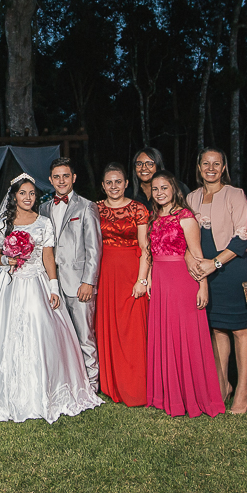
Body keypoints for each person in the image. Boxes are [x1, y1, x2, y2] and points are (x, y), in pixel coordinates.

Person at [0, 174, 102, 423]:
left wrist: (54, 287)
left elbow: (47, 257)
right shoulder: (4, 221)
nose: (28, 198)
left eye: (32, 193)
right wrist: (5, 260)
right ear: (14, 196)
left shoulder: (43, 222)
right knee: (0, 334)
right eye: (23, 193)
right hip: (9, 282)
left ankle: (44, 389)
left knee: (41, 334)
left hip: (37, 283)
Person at [145, 171, 224, 418]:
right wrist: (147, 277)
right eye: (155, 189)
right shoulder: (153, 217)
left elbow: (197, 254)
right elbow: (150, 251)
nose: (159, 193)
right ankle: (168, 393)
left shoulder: (186, 216)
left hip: (181, 281)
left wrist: (203, 286)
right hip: (160, 281)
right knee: (165, 336)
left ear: (174, 189)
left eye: (164, 188)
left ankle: (193, 395)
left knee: (185, 336)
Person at [185, 148, 247, 414]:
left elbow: (242, 238)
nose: (211, 168)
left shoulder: (235, 194)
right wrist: (195, 264)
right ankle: (222, 384)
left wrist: (214, 264)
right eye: (206, 163)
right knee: (217, 330)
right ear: (199, 167)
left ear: (224, 167)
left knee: (239, 329)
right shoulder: (191, 197)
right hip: (204, 272)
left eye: (216, 163)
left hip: (231, 269)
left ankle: (242, 389)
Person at [39, 157, 102, 390]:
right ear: (50, 180)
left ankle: (92, 385)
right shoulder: (43, 208)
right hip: (52, 283)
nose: (61, 180)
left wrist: (88, 281)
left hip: (78, 283)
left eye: (66, 176)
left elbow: (94, 248)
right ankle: (67, 382)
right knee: (59, 337)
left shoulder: (86, 206)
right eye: (57, 176)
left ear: (74, 178)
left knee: (85, 336)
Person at [94, 163, 151, 407]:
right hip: (105, 274)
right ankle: (112, 384)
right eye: (109, 182)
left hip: (132, 272)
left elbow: (145, 246)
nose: (114, 186)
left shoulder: (138, 208)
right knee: (108, 327)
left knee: (134, 330)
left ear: (127, 183)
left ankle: (138, 386)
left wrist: (142, 279)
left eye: (118, 181)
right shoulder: (94, 208)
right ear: (103, 185)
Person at [131, 146, 186, 212]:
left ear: (158, 165)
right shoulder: (129, 193)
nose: (143, 168)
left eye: (149, 164)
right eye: (139, 164)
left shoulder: (178, 187)